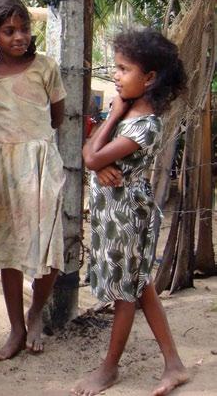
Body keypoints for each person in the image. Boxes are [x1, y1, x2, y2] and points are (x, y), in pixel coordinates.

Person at [73, 29, 189, 396]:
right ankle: (174, 365)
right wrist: (97, 160)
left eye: (124, 70)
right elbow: (88, 153)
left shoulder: (145, 124)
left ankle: (109, 368)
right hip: (115, 214)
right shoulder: (125, 115)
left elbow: (91, 153)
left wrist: (112, 120)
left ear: (149, 78)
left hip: (130, 216)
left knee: (128, 292)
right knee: (140, 286)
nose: (117, 76)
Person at [0, 0, 66, 359]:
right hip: (3, 167)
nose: (19, 37)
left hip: (41, 162)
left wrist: (35, 146)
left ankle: (35, 311)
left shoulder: (46, 66)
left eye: (24, 29)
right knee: (10, 250)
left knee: (49, 244)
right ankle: (16, 326)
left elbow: (58, 115)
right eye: (8, 31)